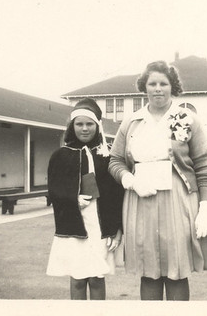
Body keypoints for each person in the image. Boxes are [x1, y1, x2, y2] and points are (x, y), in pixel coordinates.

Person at [108, 60, 207, 301]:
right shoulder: (131, 122)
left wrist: (206, 207)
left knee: (176, 271)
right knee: (149, 272)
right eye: (152, 84)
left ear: (172, 86)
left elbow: (204, 166)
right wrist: (130, 180)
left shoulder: (188, 119)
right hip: (139, 200)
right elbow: (115, 161)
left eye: (163, 83)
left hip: (177, 199)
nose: (158, 88)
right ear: (144, 88)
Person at [46, 98, 124, 300]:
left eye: (89, 124)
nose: (85, 129)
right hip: (75, 223)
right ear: (72, 127)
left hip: (100, 224)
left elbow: (117, 195)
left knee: (97, 278)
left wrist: (116, 229)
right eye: (79, 124)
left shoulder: (107, 156)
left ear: (97, 126)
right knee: (78, 278)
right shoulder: (60, 155)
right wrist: (73, 199)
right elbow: (54, 190)